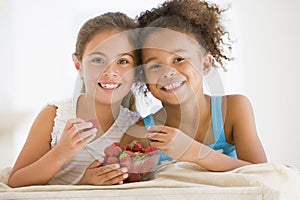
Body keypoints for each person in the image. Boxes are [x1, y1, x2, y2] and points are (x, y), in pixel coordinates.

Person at [122, 0, 267, 172]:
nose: (168, 73)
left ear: (205, 64)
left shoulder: (234, 109)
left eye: (179, 59)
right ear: (144, 77)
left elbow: (263, 174)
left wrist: (193, 151)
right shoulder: (140, 134)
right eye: (155, 66)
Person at [8, 12, 140, 187]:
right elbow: (16, 182)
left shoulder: (136, 128)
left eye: (123, 61)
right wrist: (61, 153)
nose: (110, 72)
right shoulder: (55, 116)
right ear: (78, 65)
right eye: (98, 59)